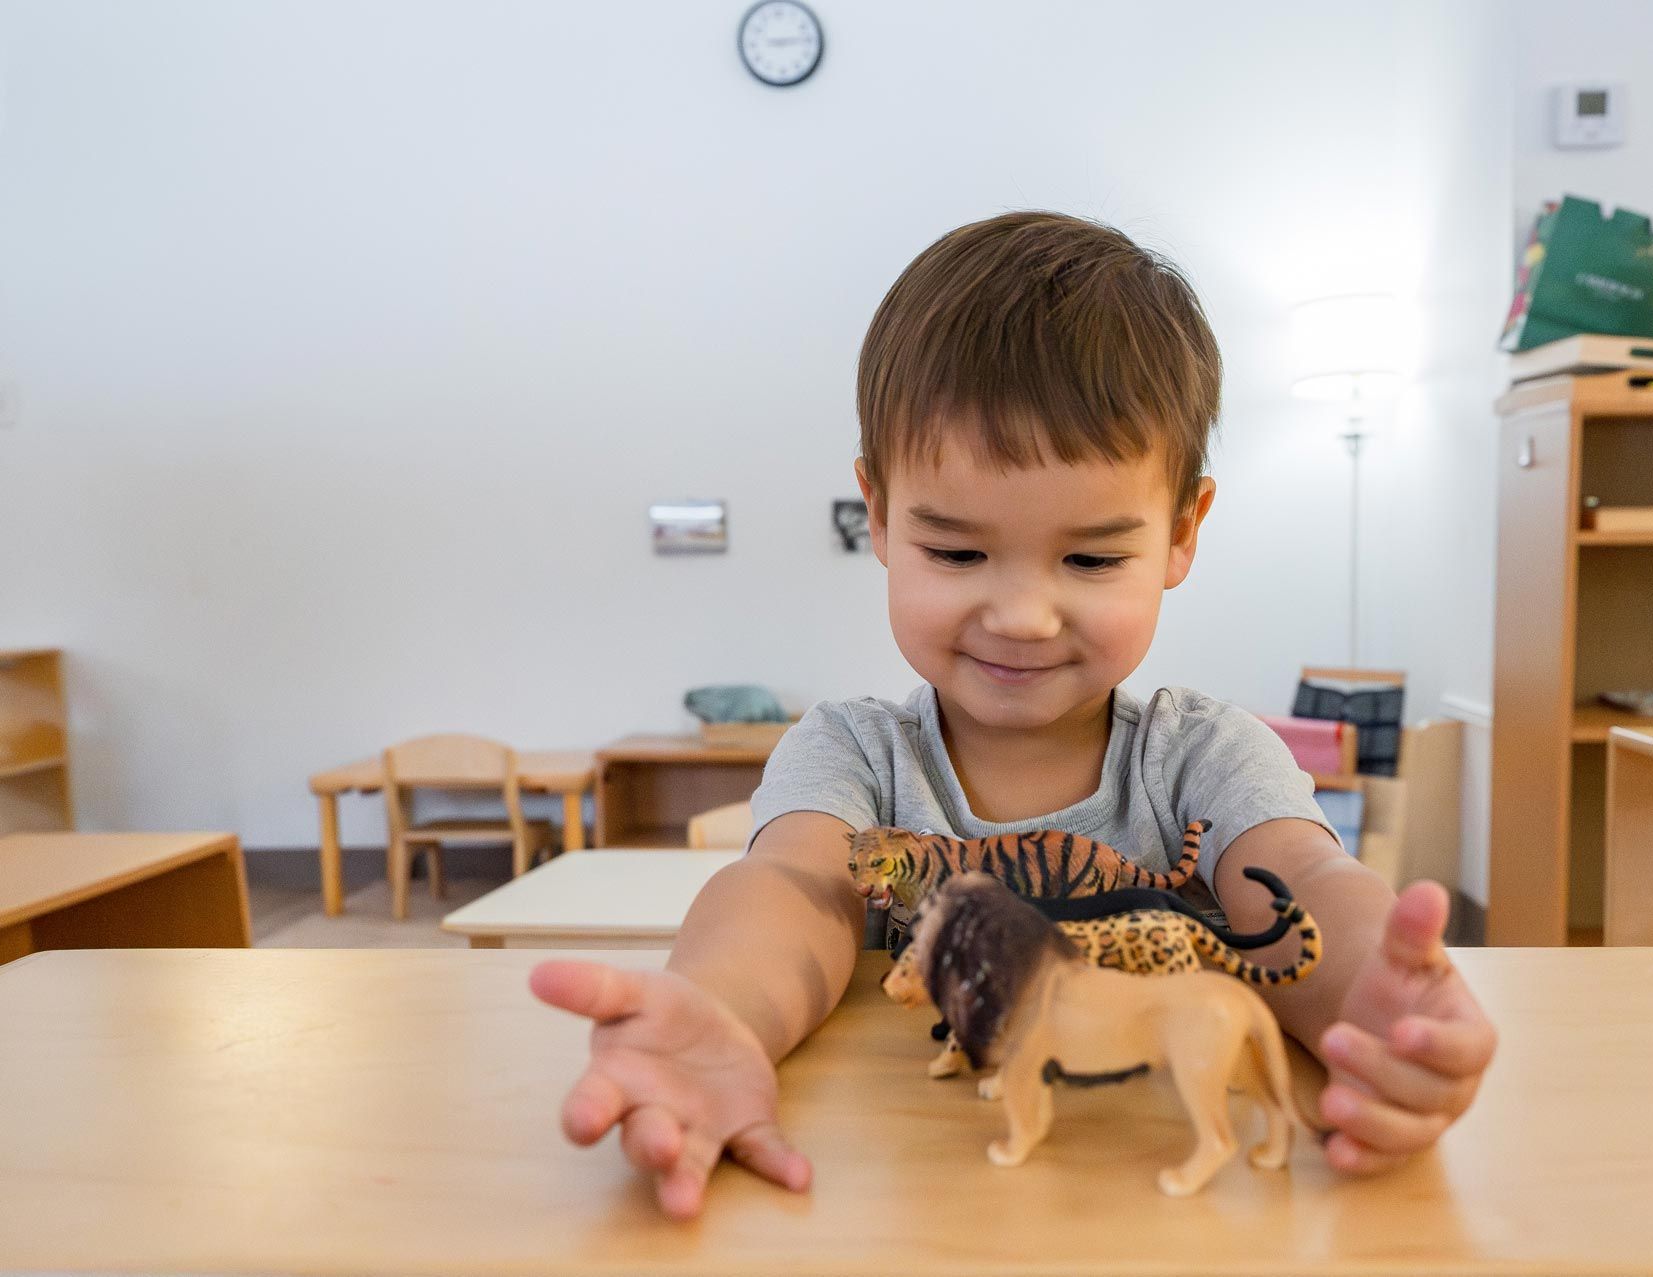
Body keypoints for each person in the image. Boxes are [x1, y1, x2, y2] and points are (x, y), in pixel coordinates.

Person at [529, 210, 1497, 1220]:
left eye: (1090, 558)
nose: (1023, 616)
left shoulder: (1205, 753)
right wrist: (720, 1008)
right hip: (914, 1197)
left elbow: (1299, 881)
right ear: (881, 515)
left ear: (1181, 531)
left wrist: (1375, 1006)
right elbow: (792, 892)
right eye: (955, 553)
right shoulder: (853, 751)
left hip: (1160, 1217)